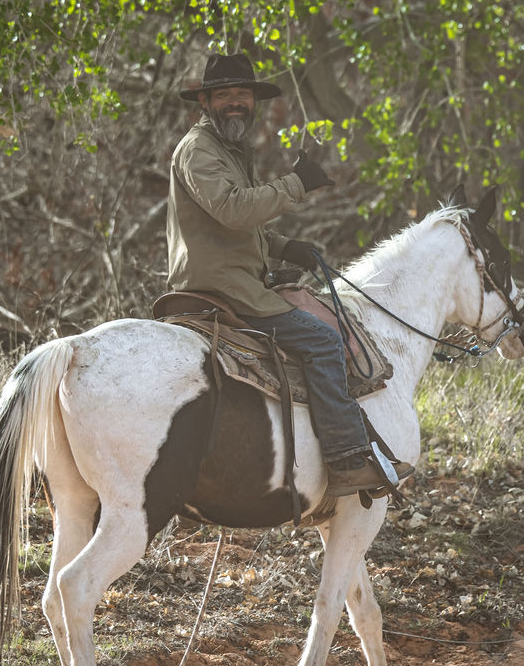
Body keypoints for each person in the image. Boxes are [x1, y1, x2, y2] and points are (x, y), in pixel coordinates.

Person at [166, 52, 413, 497]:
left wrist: (284, 247)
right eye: (225, 95)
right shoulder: (198, 150)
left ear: (254, 101)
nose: (236, 103)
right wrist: (295, 184)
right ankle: (345, 461)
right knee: (322, 339)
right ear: (204, 101)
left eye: (243, 94)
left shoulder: (228, 149)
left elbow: (243, 223)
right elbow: (235, 210)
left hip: (236, 279)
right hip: (224, 287)